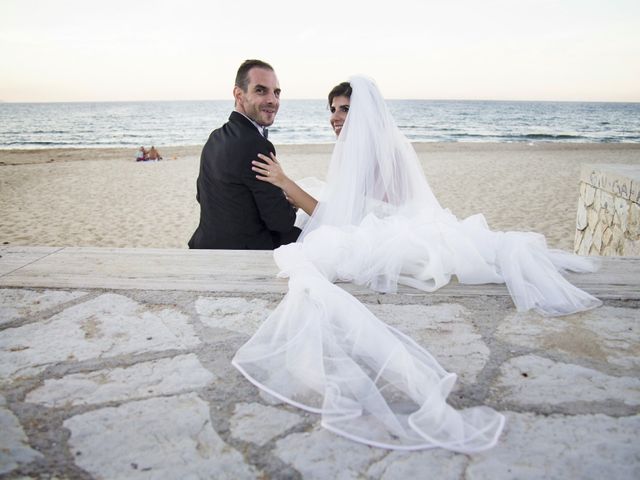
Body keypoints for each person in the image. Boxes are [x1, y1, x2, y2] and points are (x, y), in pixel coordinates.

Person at [232, 76, 601, 452]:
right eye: (333, 109)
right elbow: (345, 207)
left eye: (346, 109)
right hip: (383, 219)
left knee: (319, 248)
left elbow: (346, 219)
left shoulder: (376, 152)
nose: (336, 117)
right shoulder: (368, 146)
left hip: (389, 229)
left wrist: (285, 182)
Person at [188, 59, 300, 249]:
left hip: (205, 244)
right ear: (239, 94)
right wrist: (291, 205)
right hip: (243, 253)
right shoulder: (256, 145)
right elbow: (281, 221)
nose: (272, 100)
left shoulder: (214, 137)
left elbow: (202, 196)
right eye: (261, 90)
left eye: (276, 92)